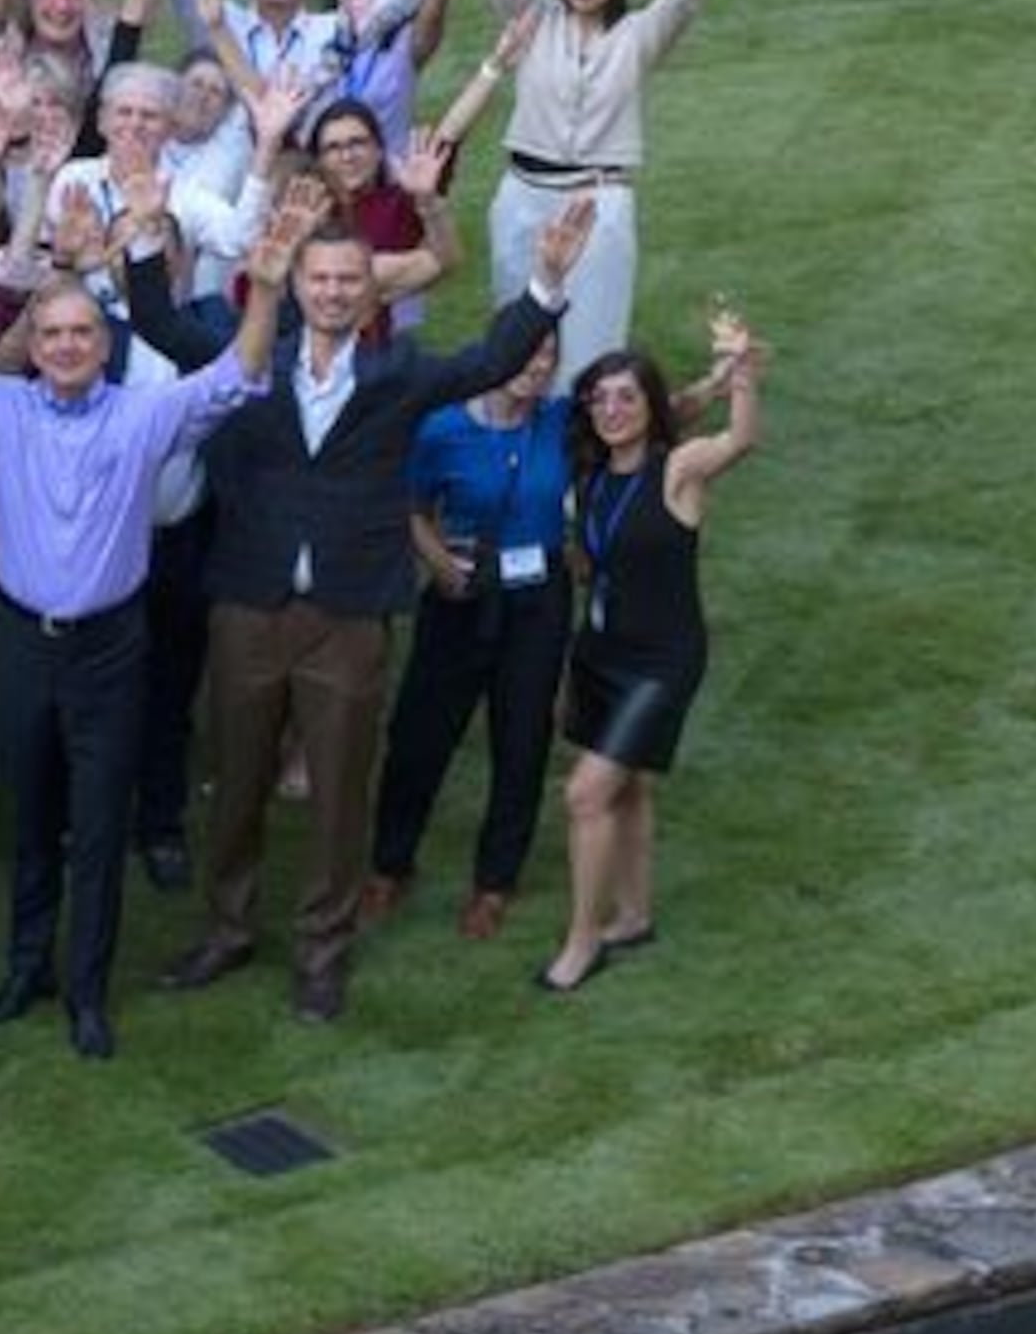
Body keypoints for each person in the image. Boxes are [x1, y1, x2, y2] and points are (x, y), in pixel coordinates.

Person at [0, 175, 305, 1059]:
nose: (66, 345)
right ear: (34, 344)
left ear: (105, 345)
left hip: (111, 646)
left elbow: (237, 375)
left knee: (99, 822)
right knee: (34, 814)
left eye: (82, 334)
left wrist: (271, 282)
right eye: (53, 333)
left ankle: (88, 994)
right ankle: (26, 967)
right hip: (24, 642)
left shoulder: (143, 415)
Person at [133, 197, 590, 1022]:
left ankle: (322, 952)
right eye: (322, 278)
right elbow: (158, 322)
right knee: (237, 780)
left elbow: (492, 358)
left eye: (351, 280)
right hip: (249, 602)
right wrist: (138, 230)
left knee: (342, 793)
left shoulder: (403, 375)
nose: (336, 292)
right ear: (296, 283)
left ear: (373, 294)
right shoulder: (246, 358)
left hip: (349, 616)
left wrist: (548, 281)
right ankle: (227, 928)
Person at [449, 0, 742, 379]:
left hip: (599, 200)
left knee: (591, 336)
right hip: (523, 195)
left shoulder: (638, 36)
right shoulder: (535, 18)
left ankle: (584, 444)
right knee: (515, 333)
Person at [544, 309, 765, 994]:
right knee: (630, 785)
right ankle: (634, 916)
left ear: (649, 406)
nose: (611, 409)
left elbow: (740, 438)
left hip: (661, 662)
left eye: (627, 397)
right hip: (601, 651)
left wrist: (742, 371)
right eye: (599, 397)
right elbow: (593, 562)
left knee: (586, 795)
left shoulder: (680, 470)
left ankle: (584, 940)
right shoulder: (591, 474)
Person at [366, 330, 572, 942]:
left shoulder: (564, 421)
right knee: (419, 736)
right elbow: (408, 506)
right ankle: (390, 865)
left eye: (547, 358)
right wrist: (438, 563)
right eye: (525, 354)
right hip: (460, 596)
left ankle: (494, 884)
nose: (535, 367)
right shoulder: (442, 429)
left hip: (538, 603)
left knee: (522, 739)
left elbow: (651, 412)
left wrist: (721, 386)